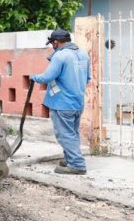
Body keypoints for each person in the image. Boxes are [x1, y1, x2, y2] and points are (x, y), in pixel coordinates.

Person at [30, 29, 91, 175]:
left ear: (56, 42)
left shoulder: (60, 55)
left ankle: (77, 165)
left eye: (52, 43)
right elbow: (88, 78)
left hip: (62, 103)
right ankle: (70, 158)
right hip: (77, 102)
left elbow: (47, 76)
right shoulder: (83, 54)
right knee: (72, 132)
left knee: (65, 134)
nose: (52, 46)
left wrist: (34, 77)